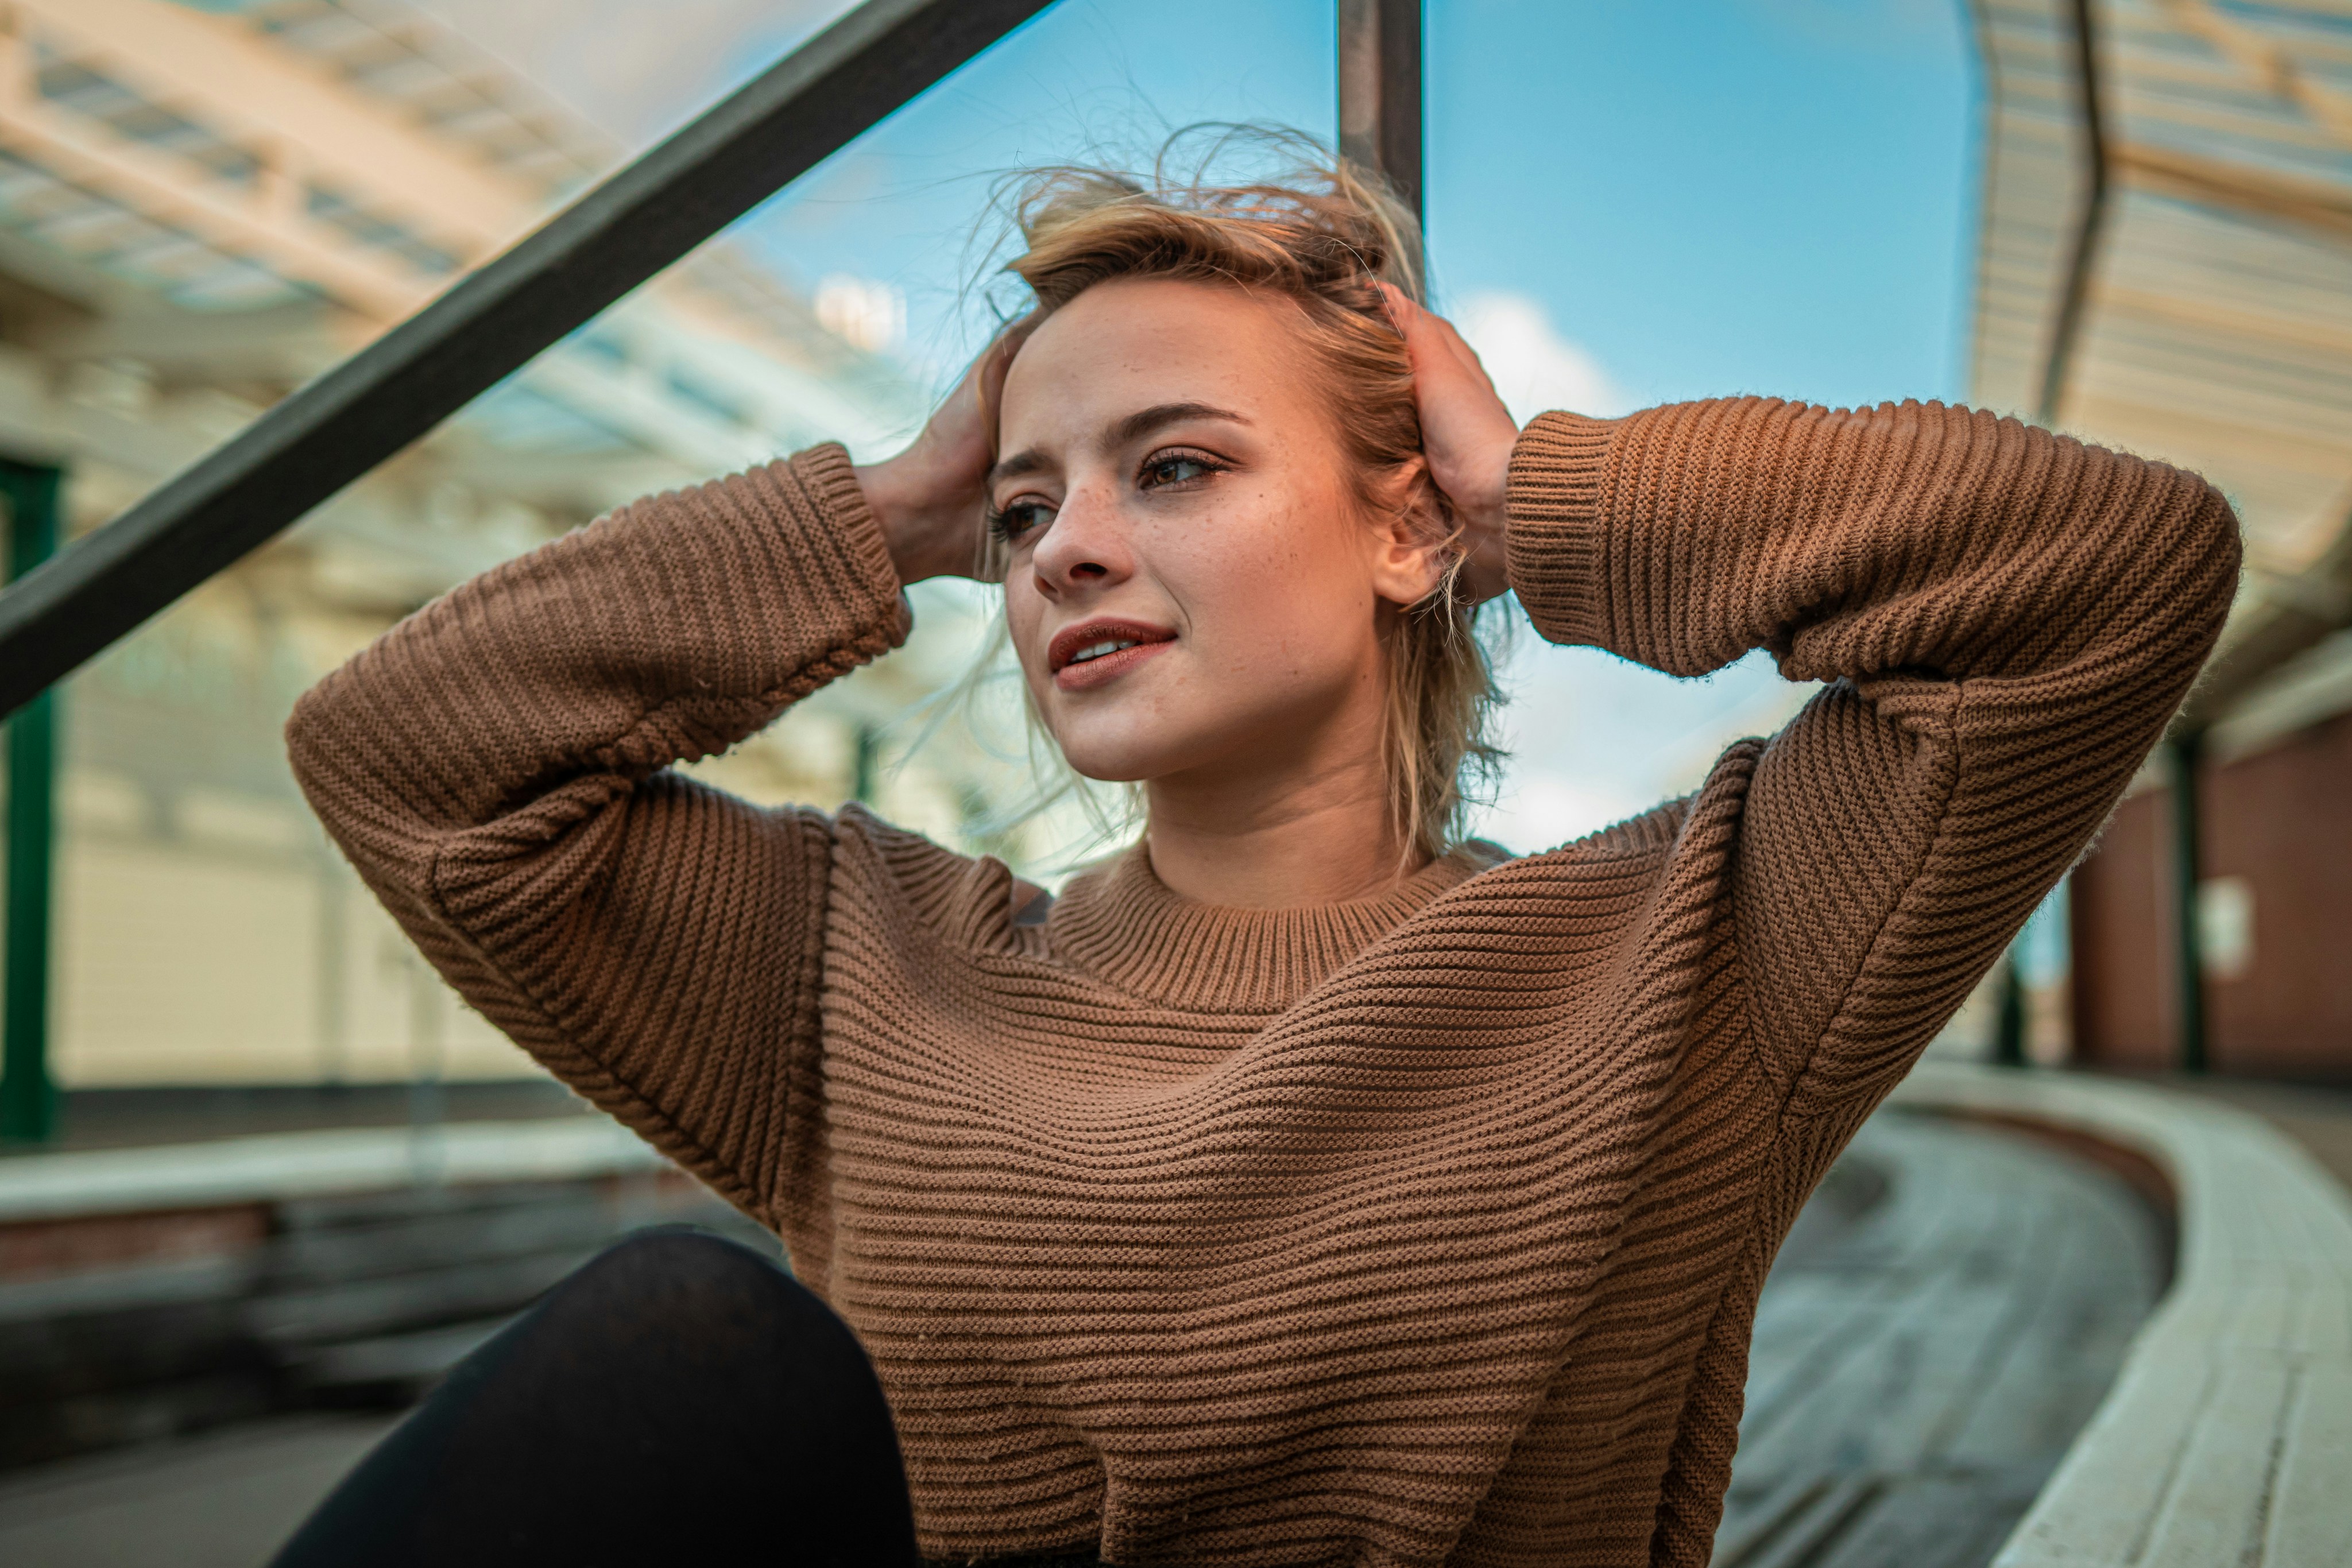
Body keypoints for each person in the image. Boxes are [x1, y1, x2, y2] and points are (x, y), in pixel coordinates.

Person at [273, 145, 2238, 1567]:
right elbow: (408, 759)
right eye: (1025, 504)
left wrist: (1538, 487)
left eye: (1179, 465)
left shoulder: (1687, 959)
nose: (1064, 546)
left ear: (1406, 533)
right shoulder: (856, 968)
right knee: (671, 1339)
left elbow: (2111, 572)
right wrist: (877, 516)